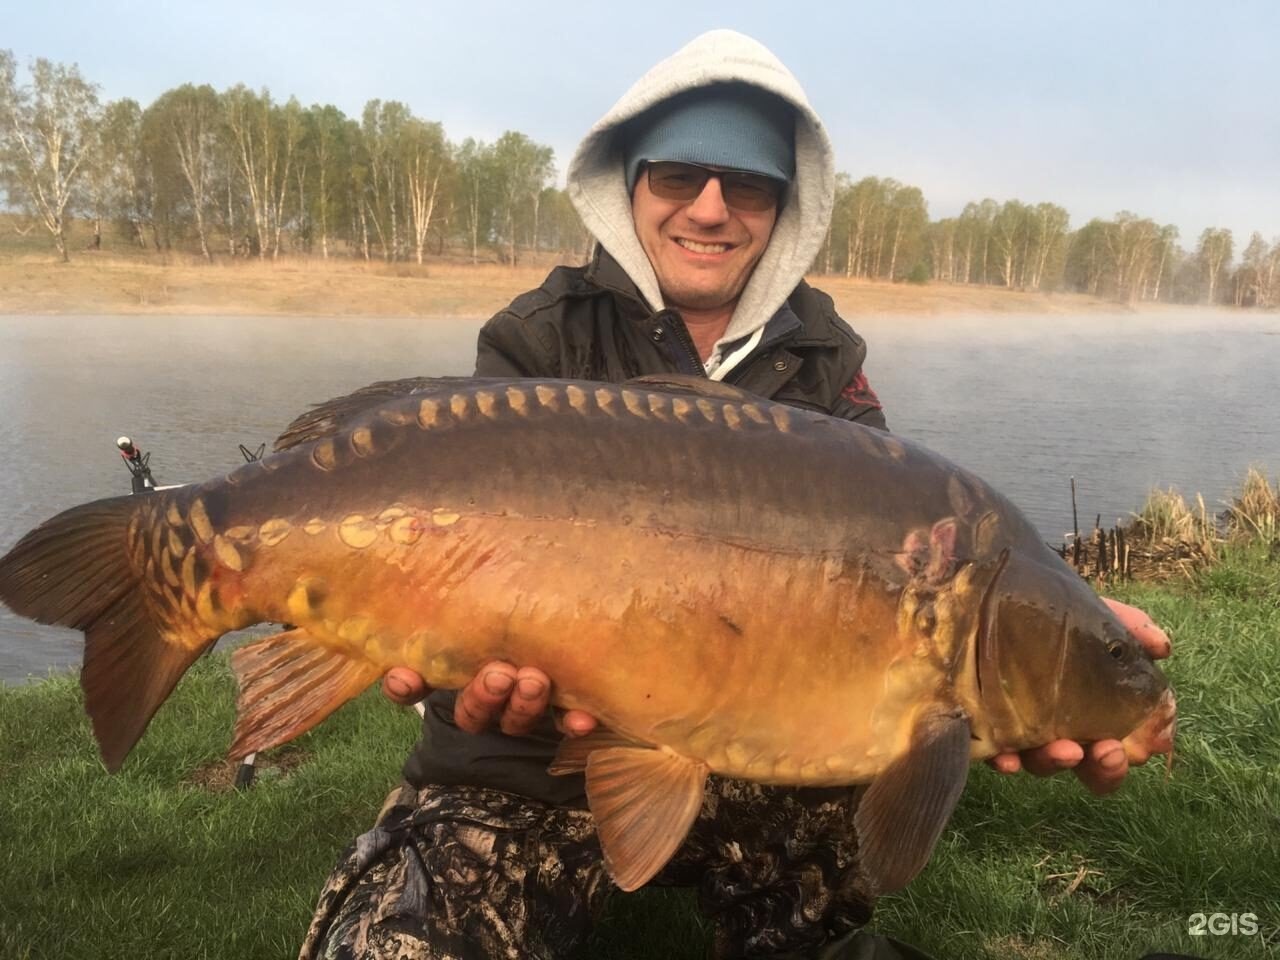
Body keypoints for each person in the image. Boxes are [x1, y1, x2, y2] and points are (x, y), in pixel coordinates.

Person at [300, 29, 1172, 960]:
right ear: (628, 184)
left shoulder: (828, 368)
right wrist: (448, 662)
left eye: (748, 184)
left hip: (753, 772)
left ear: (785, 207)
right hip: (518, 763)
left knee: (821, 866)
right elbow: (449, 560)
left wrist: (1049, 658)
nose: (711, 209)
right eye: (679, 176)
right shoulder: (535, 342)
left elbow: (912, 569)